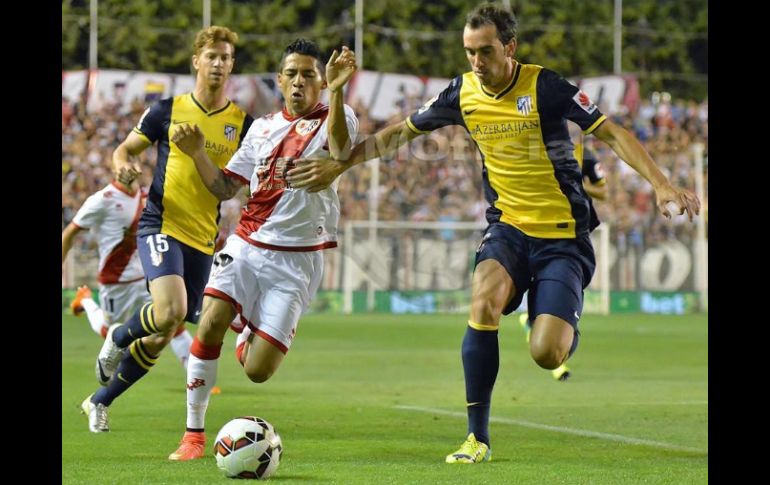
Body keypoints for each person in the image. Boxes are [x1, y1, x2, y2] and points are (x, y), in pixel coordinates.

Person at [285, 2, 700, 464]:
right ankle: (476, 437)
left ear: (510, 47)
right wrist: (340, 164)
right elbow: (396, 135)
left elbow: (614, 133)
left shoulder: (546, 86)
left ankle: (553, 318)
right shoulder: (461, 93)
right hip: (507, 227)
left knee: (548, 352)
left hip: (563, 237)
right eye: (469, 52)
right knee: (482, 298)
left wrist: (662, 183)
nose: (476, 62)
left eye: (485, 51)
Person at [165, 38, 358, 461]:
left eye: (309, 74)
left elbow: (343, 151)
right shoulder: (262, 128)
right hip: (248, 244)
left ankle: (247, 328)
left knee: (257, 372)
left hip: (298, 262)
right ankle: (193, 435)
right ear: (279, 80)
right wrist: (198, 153)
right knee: (211, 319)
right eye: (292, 73)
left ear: (320, 81)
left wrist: (339, 89)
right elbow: (224, 188)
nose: (299, 82)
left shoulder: (336, 117)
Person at [80, 25, 253, 433]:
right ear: (197, 60)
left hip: (203, 239)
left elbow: (229, 189)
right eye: (212, 56)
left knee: (160, 335)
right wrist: (122, 165)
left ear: (231, 66)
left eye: (226, 58)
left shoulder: (241, 125)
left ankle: (98, 401)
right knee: (171, 313)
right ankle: (118, 337)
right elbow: (125, 149)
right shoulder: (165, 111)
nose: (218, 63)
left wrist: (197, 155)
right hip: (161, 224)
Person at [62, 174, 194, 372]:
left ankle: (198, 379)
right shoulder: (102, 200)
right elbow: (71, 232)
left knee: (172, 321)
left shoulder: (148, 196)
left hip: (147, 275)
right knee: (110, 332)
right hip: (115, 279)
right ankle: (85, 301)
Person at [518, 138, 608, 381]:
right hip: (539, 225)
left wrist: (577, 183)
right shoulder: (535, 147)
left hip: (575, 227)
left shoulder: (586, 155)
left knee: (565, 281)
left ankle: (539, 321)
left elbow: (604, 191)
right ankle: (538, 321)